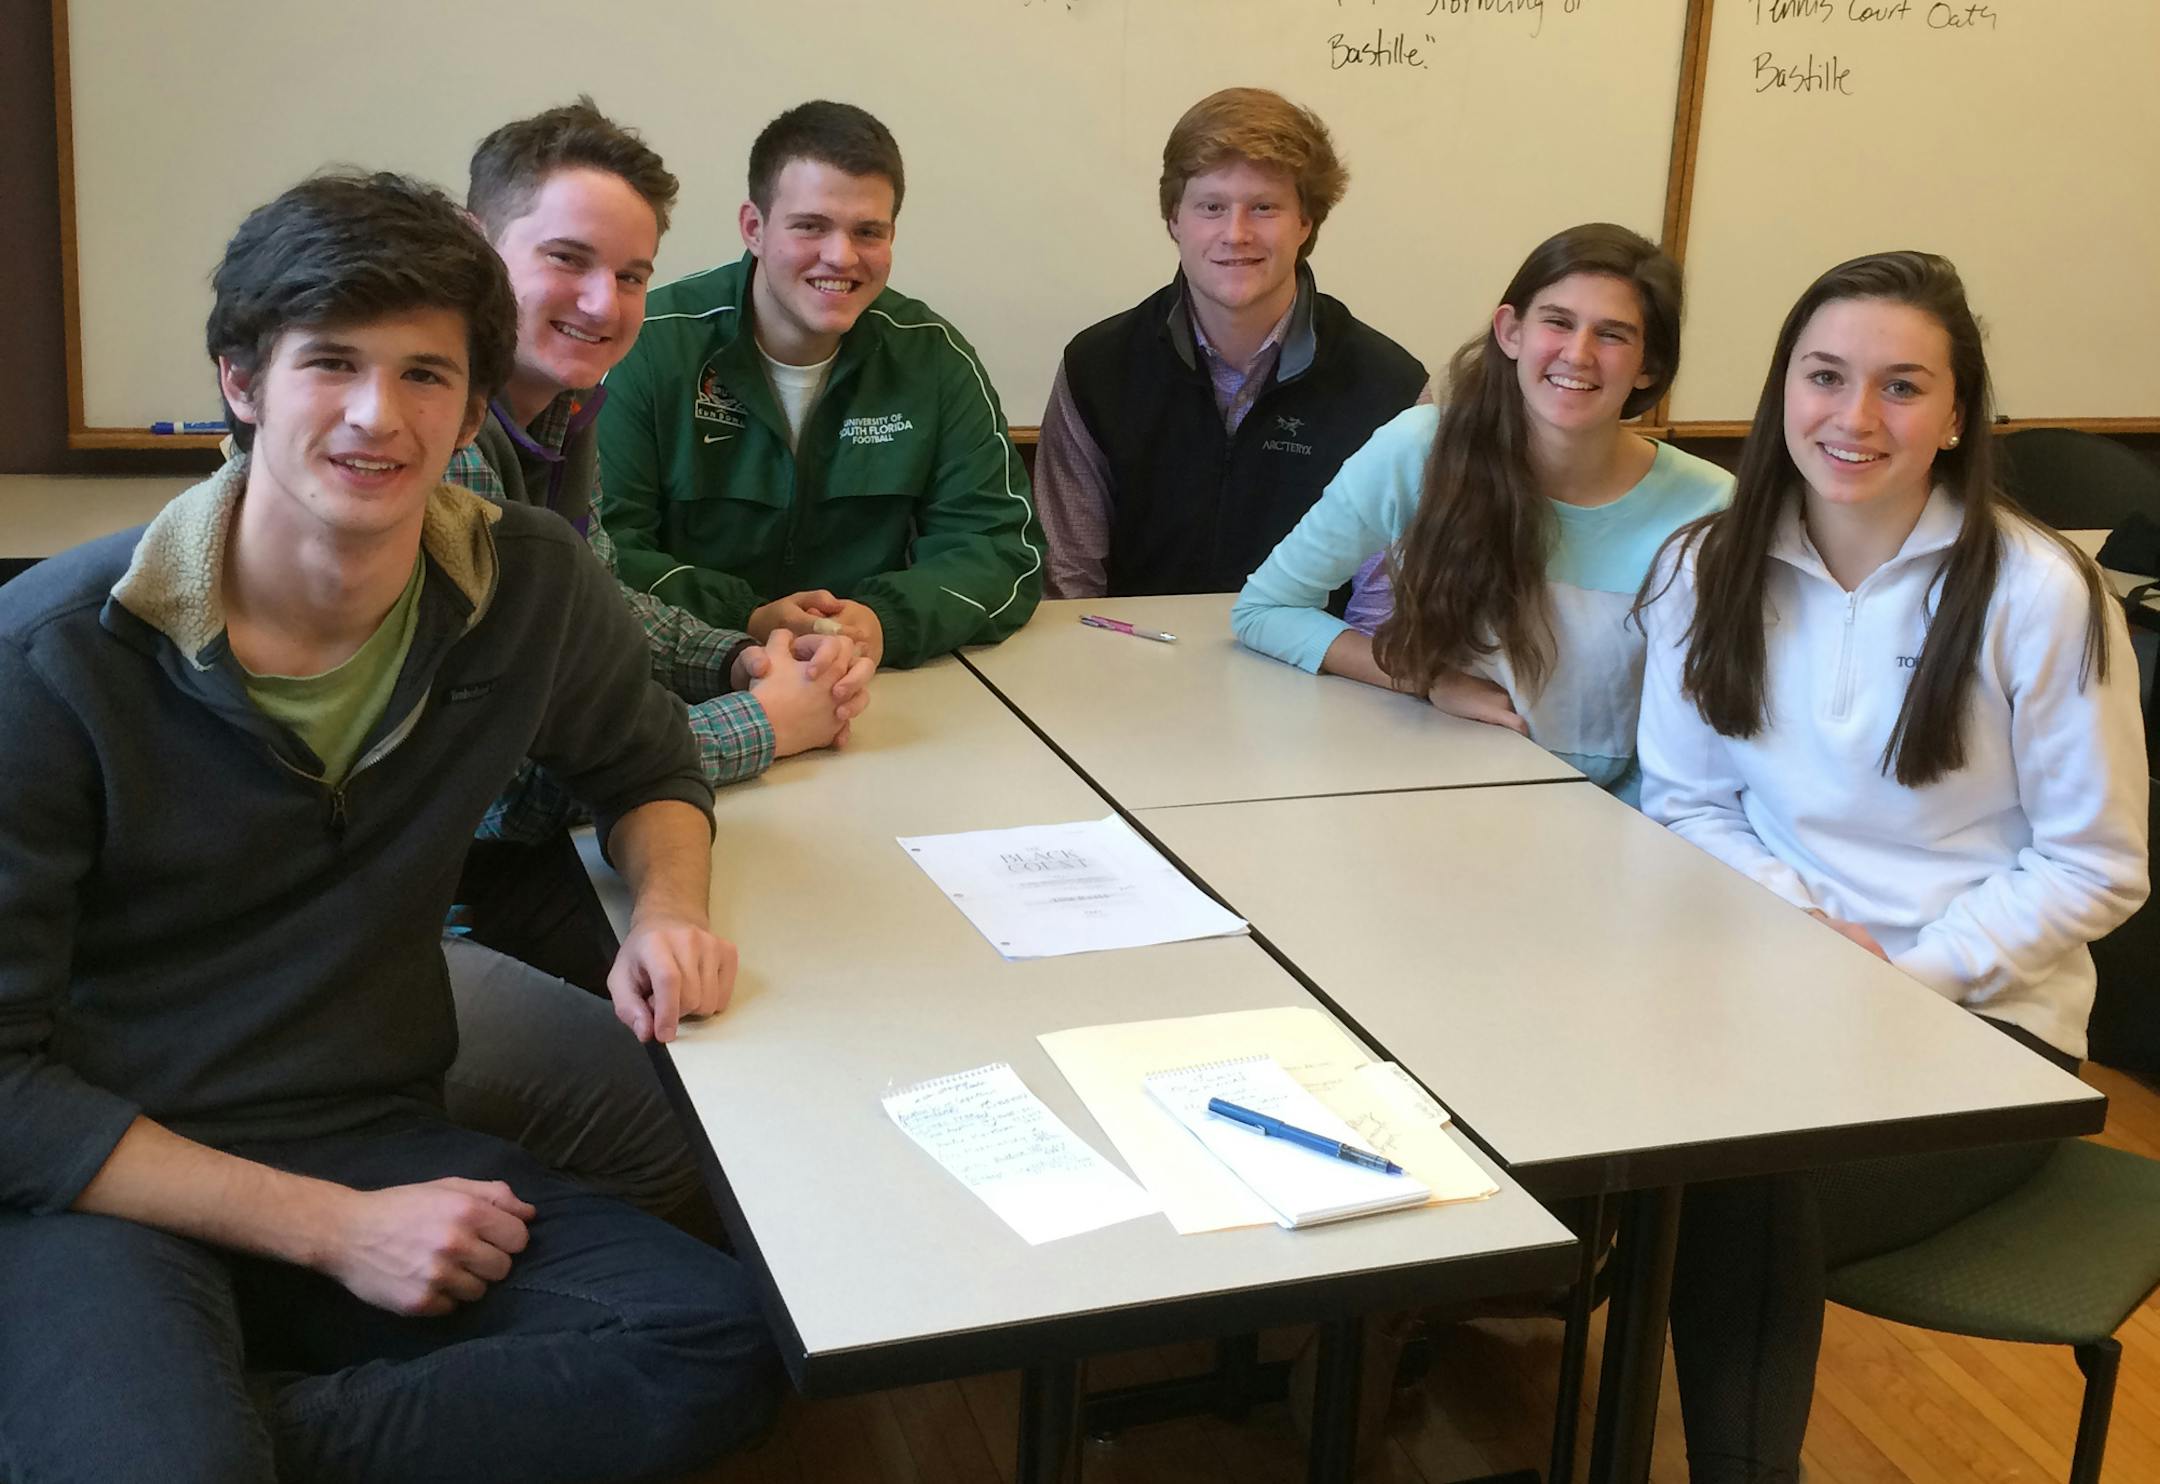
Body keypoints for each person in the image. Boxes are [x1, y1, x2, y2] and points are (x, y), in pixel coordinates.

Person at [0, 172, 778, 1483]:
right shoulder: (52, 658)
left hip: (366, 1122)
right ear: (243, 381)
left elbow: (645, 767)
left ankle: (209, 1434)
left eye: (425, 374)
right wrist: (332, 1231)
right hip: (106, 1171)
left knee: (724, 1340)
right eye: (331, 364)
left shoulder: (527, 583)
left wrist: (668, 909)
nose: (378, 414)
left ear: (472, 407)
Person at [1634, 250, 2149, 1484]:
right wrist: (1804, 929)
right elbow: (1686, 800)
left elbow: (2099, 862)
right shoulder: (1704, 565)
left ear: (1958, 413)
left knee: (1739, 1181)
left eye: (1902, 386)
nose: (1855, 416)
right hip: (1768, 991)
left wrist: (1906, 976)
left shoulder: (2039, 591)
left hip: (1980, 1028)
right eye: (1825, 376)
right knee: (1628, 1149)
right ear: (1783, 389)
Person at [1232, 222, 1730, 800]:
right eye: (1558, 322)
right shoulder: (1418, 449)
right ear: (1511, 331)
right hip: (1427, 794)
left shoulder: (1710, 506)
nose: (1578, 354)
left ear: (1650, 365)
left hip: (1614, 813)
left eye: (1612, 334)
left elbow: (1699, 733)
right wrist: (1426, 678)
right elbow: (1265, 609)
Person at [596, 99, 1043, 668]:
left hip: (876, 679)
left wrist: (882, 622)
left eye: (868, 232)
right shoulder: (650, 345)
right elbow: (603, 547)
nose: (841, 256)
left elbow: (1000, 550)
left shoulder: (932, 357)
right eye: (811, 226)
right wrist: (747, 618)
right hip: (685, 677)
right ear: (754, 228)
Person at [1034, 86, 1426, 598]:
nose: (1236, 233)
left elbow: (1384, 611)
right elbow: (1070, 585)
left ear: (1305, 222)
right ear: (1174, 219)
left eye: (1264, 207)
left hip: (1318, 649)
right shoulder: (1097, 369)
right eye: (1211, 206)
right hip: (1129, 647)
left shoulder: (1390, 390)